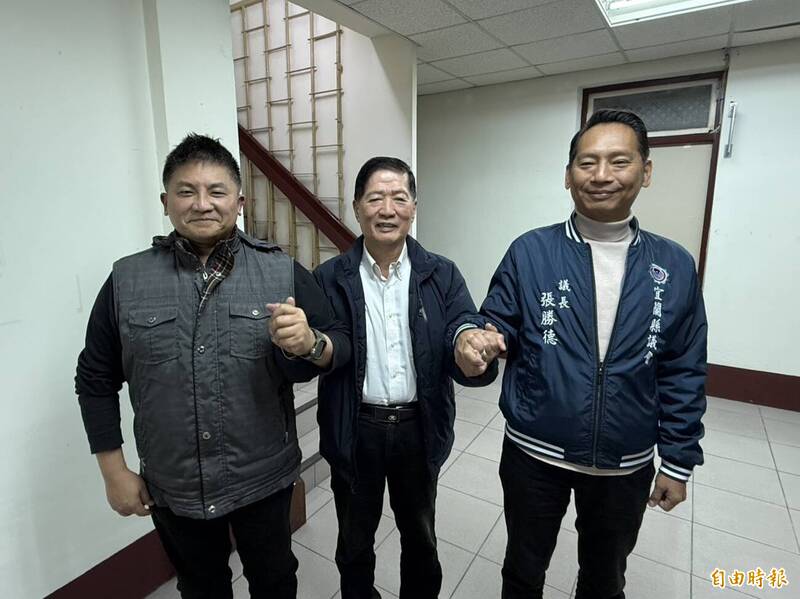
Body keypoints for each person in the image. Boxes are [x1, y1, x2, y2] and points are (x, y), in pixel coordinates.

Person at [75, 133, 350, 599]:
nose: (202, 204)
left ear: (239, 202)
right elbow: (94, 378)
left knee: (275, 582)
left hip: (264, 480)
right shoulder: (127, 280)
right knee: (200, 588)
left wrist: (311, 343)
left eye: (216, 191)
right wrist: (113, 471)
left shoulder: (280, 271)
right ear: (166, 202)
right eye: (187, 191)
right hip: (174, 485)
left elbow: (339, 344)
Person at [454, 109, 707, 599]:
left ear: (646, 172)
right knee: (522, 571)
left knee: (605, 579)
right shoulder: (530, 251)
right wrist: (475, 341)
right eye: (587, 163)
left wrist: (677, 461)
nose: (602, 175)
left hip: (625, 462)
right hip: (533, 452)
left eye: (619, 161)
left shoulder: (674, 265)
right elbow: (496, 323)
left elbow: (683, 367)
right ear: (568, 175)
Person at [314, 157, 502, 599]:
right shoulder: (329, 278)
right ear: (357, 207)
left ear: (414, 208)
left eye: (399, 198)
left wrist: (470, 349)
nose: (387, 209)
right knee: (354, 542)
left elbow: (462, 327)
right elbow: (319, 349)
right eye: (375, 198)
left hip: (419, 427)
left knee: (420, 539)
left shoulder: (441, 273)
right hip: (355, 428)